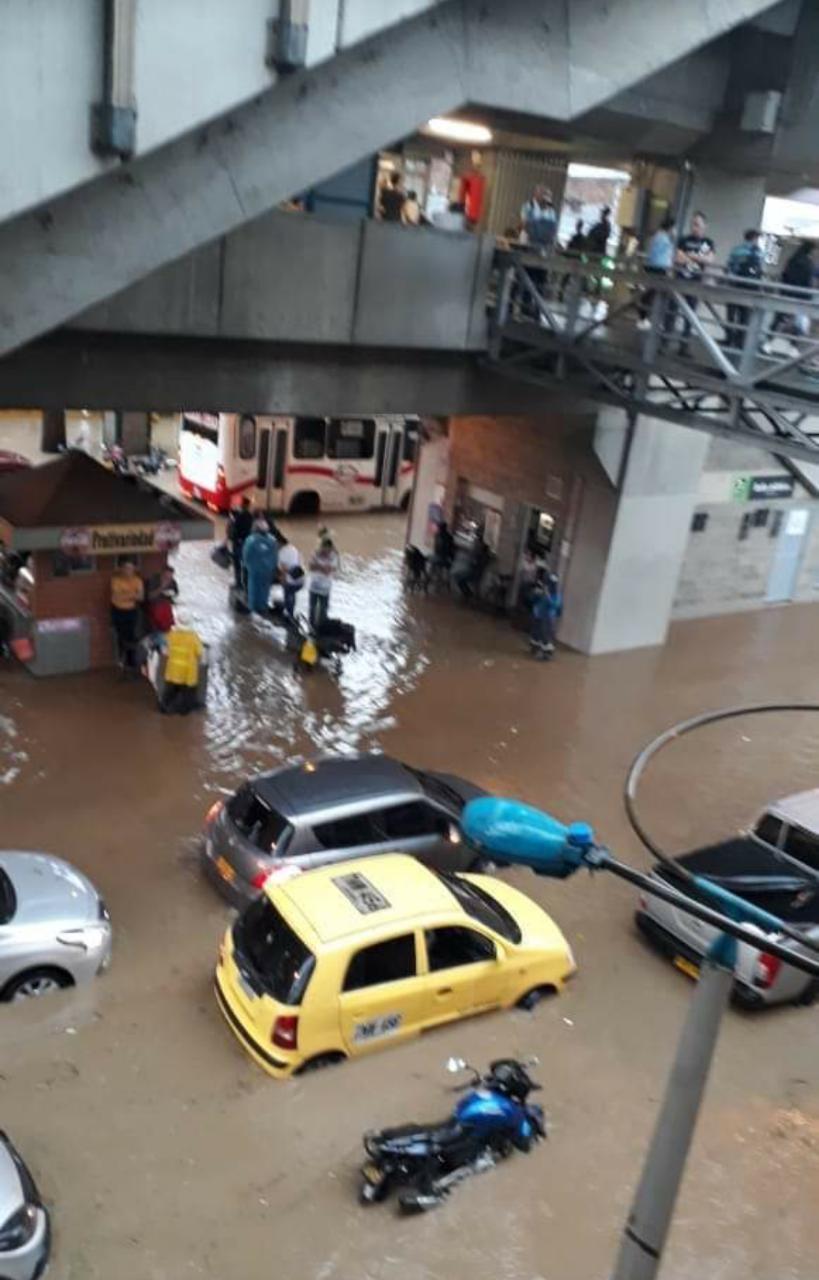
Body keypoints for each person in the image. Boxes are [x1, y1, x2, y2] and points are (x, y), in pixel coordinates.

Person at [672, 211, 715, 355]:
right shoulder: (683, 240)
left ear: (704, 225)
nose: (694, 227)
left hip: (695, 283)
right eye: (693, 224)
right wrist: (697, 258)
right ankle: (663, 341)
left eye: (697, 224)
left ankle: (683, 346)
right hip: (680, 280)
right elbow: (678, 258)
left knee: (690, 316)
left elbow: (710, 260)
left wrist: (690, 256)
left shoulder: (708, 242)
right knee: (671, 311)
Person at [768, 240, 816, 343]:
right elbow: (808, 281)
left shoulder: (792, 260)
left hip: (786, 293)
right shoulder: (809, 264)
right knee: (798, 323)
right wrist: (809, 296)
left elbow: (784, 275)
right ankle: (793, 346)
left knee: (778, 319)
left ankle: (768, 341)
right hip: (800, 297)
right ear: (810, 251)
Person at [724, 229, 764, 351]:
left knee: (731, 314)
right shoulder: (759, 253)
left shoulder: (737, 250)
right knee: (745, 317)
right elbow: (760, 271)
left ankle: (729, 338)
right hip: (750, 289)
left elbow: (729, 266)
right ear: (754, 238)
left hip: (735, 286)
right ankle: (740, 342)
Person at [637, 214, 677, 328]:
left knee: (650, 294)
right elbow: (665, 258)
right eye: (674, 227)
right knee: (653, 295)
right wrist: (669, 271)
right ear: (670, 227)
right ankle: (649, 319)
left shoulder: (657, 237)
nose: (675, 230)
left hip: (652, 268)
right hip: (659, 270)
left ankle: (645, 318)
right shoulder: (664, 239)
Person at [110, 560, 144, 668]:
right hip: (118, 610)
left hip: (131, 611)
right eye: (126, 568)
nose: (128, 571)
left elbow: (141, 597)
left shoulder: (137, 580)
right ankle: (121, 659)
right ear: (122, 570)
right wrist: (133, 595)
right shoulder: (116, 580)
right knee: (120, 635)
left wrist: (124, 595)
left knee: (131, 635)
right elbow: (116, 596)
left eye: (131, 569)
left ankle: (131, 660)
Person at [241, 519, 279, 615]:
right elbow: (275, 556)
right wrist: (273, 567)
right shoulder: (273, 540)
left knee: (253, 588)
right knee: (265, 589)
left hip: (254, 569)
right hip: (268, 569)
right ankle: (263, 606)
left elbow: (246, 554)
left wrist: (245, 565)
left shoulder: (251, 540)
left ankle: (253, 608)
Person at [308, 533, 340, 630]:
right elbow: (310, 566)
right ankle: (311, 627)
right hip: (313, 587)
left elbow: (328, 571)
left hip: (325, 589)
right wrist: (322, 567)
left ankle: (321, 629)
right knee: (312, 609)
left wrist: (317, 566)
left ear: (330, 548)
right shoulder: (315, 553)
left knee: (323, 610)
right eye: (323, 547)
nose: (324, 550)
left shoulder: (334, 556)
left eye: (326, 548)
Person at [529, 571, 562, 660]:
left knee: (545, 635)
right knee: (536, 633)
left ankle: (547, 654)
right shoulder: (541, 591)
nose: (547, 585)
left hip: (547, 618)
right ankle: (534, 649)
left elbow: (556, 606)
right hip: (538, 616)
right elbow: (533, 600)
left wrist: (548, 596)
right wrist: (536, 593)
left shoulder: (555, 595)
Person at [276, 530, 305, 618]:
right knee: (292, 595)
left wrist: (282, 580)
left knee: (288, 594)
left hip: (290, 579)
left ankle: (289, 615)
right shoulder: (293, 548)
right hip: (301, 579)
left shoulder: (281, 553)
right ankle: (291, 612)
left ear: (280, 543)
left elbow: (284, 570)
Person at [520, 186, 558, 250]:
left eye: (548, 196)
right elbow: (524, 223)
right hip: (529, 238)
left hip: (544, 242)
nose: (545, 198)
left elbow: (553, 228)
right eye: (543, 194)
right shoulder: (528, 206)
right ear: (536, 194)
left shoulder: (551, 211)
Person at [146, 565, 179, 638]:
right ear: (162, 573)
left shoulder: (172, 581)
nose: (168, 578)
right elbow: (150, 596)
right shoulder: (154, 580)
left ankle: (165, 639)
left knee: (168, 625)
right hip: (154, 605)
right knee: (158, 624)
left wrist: (172, 594)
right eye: (166, 575)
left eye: (170, 576)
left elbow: (176, 593)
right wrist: (161, 587)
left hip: (166, 605)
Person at [228, 497, 254, 590]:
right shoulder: (250, 516)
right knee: (246, 564)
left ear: (242, 504)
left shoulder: (238, 516)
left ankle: (238, 583)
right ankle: (246, 583)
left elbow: (234, 530)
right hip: (247, 543)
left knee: (237, 564)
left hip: (238, 543)